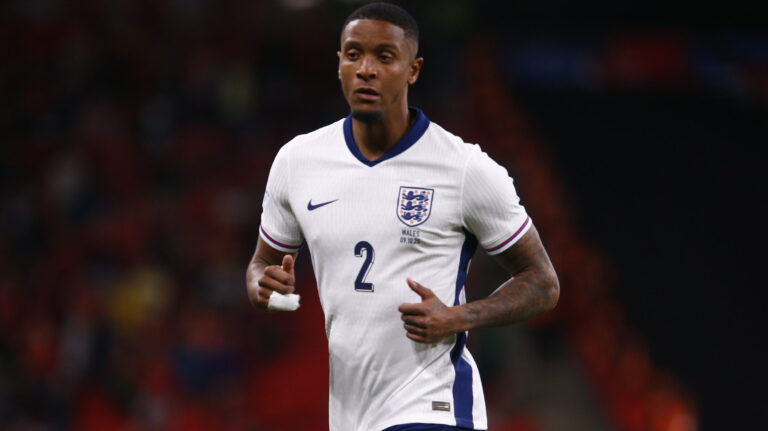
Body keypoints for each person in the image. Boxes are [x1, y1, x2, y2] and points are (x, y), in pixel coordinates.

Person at [245, 3, 559, 430]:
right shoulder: (297, 162)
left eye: (384, 56)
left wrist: (458, 317)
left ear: (413, 70)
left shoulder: (464, 168)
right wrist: (263, 286)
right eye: (353, 54)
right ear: (338, 63)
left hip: (433, 405)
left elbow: (542, 282)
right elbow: (262, 265)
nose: (366, 69)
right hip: (352, 414)